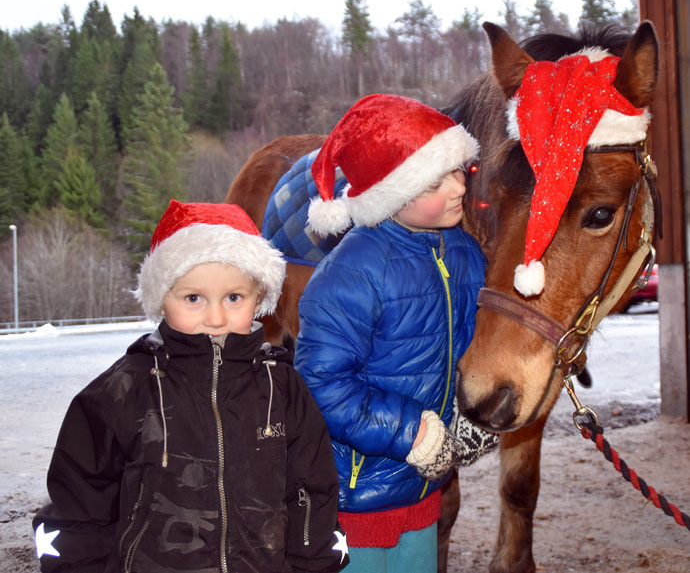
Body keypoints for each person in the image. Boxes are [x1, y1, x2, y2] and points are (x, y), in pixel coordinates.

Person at [32, 200, 349, 573]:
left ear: (259, 297)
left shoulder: (281, 387)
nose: (215, 317)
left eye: (234, 297)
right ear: (162, 300)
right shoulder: (124, 388)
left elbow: (311, 489)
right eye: (193, 298)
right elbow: (80, 500)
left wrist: (312, 562)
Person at [294, 94, 498, 572]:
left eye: (458, 172)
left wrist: (472, 416)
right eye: (435, 181)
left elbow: (472, 345)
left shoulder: (465, 253)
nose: (457, 190)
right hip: (359, 492)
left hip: (424, 487)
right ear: (390, 191)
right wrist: (412, 433)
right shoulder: (353, 272)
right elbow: (322, 385)